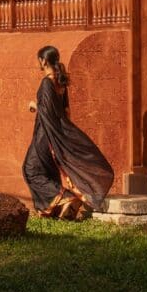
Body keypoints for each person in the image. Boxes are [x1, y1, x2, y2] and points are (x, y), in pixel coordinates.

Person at [22, 45, 114, 220]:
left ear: (43, 61)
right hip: (56, 134)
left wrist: (34, 106)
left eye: (39, 60)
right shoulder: (60, 83)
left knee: (30, 169)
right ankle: (56, 208)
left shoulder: (47, 82)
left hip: (46, 134)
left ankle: (65, 198)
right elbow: (66, 112)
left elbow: (48, 113)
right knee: (45, 169)